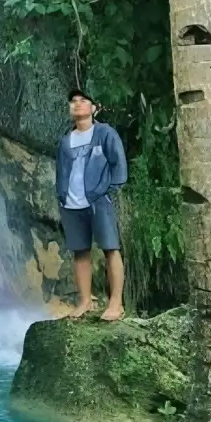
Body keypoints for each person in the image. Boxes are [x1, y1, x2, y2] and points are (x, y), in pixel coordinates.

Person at [55, 88, 128, 321]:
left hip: (98, 201)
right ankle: (85, 301)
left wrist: (109, 190)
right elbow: (61, 170)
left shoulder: (104, 133)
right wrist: (61, 194)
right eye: (73, 101)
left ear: (94, 108)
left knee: (110, 248)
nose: (77, 104)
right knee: (80, 252)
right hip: (71, 203)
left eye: (83, 100)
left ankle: (116, 303)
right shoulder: (66, 141)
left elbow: (119, 163)